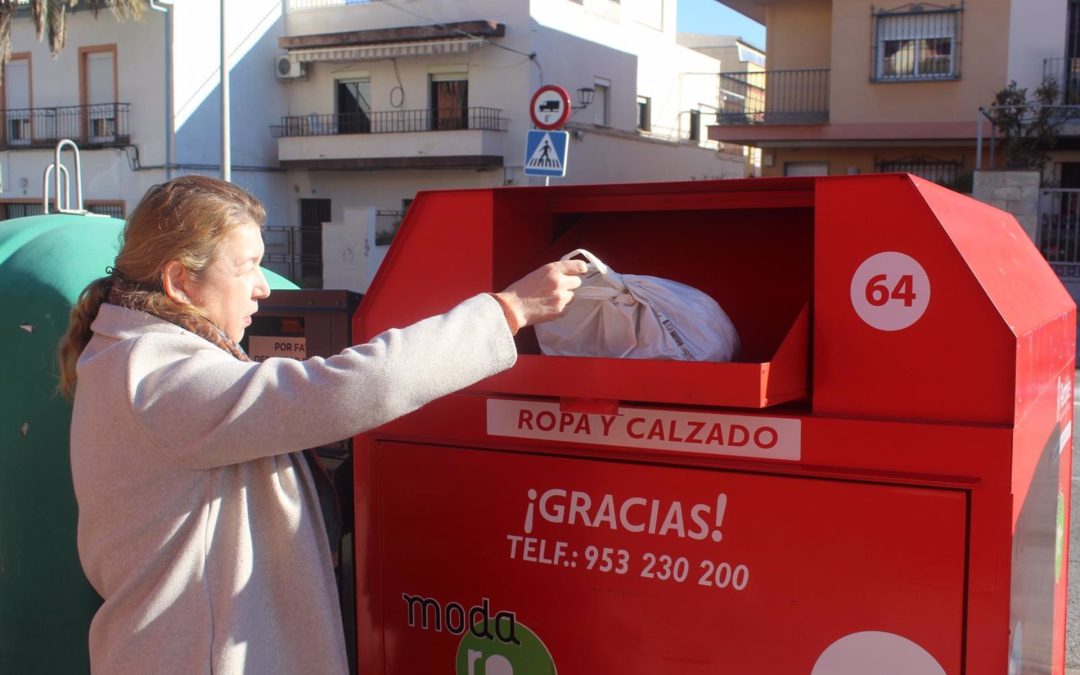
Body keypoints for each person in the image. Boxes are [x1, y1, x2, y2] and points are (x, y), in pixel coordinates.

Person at [58, 175, 586, 674]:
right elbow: (351, 388)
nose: (263, 288)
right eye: (246, 267)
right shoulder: (159, 378)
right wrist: (510, 311)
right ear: (179, 281)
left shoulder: (130, 354)